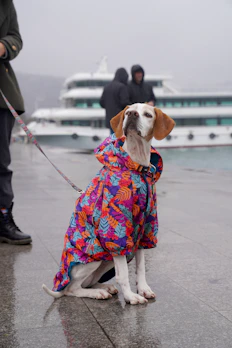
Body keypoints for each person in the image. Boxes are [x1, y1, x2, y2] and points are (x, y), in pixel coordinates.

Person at [0, 1, 32, 244]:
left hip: (2, 94)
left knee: (1, 161)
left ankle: (3, 219)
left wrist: (3, 46)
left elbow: (15, 37)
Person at [100, 67, 130, 134]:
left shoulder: (107, 87)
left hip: (110, 119)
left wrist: (109, 106)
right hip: (119, 119)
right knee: (120, 140)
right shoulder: (122, 87)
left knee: (113, 139)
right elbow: (124, 102)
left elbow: (101, 102)